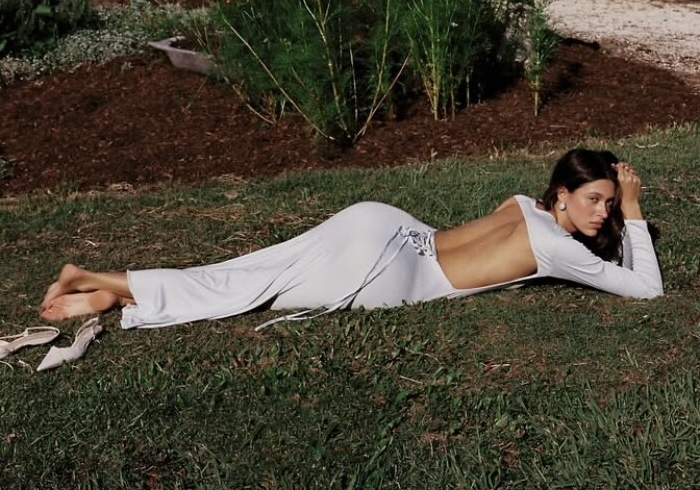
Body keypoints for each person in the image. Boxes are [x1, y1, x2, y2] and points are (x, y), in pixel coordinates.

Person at [38, 148, 663, 330]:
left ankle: (115, 293)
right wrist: (635, 212)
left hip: (386, 224)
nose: (603, 212)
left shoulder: (523, 204)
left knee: (250, 271)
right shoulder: (559, 249)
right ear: (562, 195)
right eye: (594, 199)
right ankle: (100, 280)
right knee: (253, 291)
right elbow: (646, 288)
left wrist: (616, 209)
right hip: (390, 270)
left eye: (610, 203)